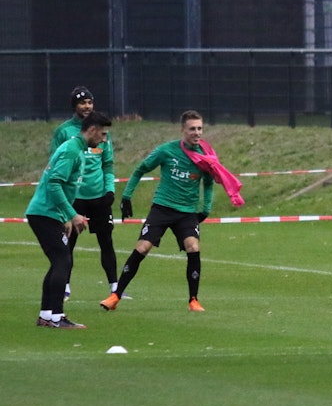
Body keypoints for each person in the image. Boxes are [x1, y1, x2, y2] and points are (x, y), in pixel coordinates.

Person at [100, 110, 215, 312]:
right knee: (143, 247)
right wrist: (127, 196)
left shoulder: (205, 157)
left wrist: (205, 208)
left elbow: (208, 183)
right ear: (182, 130)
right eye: (192, 129)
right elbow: (140, 169)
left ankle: (193, 300)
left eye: (199, 128)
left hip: (187, 211)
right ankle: (115, 296)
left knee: (193, 247)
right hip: (162, 208)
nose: (197, 132)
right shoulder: (166, 151)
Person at [28, 112, 113, 328]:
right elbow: (55, 183)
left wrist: (65, 216)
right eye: (102, 134)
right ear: (92, 130)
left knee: (59, 260)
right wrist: (72, 214)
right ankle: (57, 317)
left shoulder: (78, 149)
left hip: (50, 212)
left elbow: (64, 186)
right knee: (63, 261)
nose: (104, 139)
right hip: (44, 212)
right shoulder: (71, 150)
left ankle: (47, 315)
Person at [50, 86, 119, 301]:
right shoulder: (64, 132)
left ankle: (115, 287)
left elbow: (108, 165)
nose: (87, 106)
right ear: (74, 106)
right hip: (74, 198)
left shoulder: (103, 133)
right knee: (68, 242)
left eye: (89, 102)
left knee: (106, 241)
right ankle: (65, 286)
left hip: (99, 197)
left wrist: (110, 190)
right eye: (82, 103)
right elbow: (55, 164)